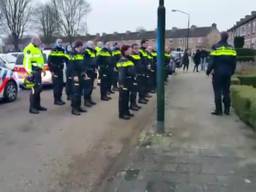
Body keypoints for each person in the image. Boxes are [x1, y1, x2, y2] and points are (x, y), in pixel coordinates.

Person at [207, 32, 237, 116]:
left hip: (217, 73)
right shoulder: (231, 49)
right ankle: (227, 110)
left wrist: (208, 71)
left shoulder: (215, 47)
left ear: (221, 37)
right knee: (226, 91)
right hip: (227, 73)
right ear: (227, 38)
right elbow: (234, 62)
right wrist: (232, 72)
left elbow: (212, 61)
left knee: (217, 91)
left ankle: (219, 110)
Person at [23, 36, 47, 114]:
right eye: (39, 41)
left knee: (38, 89)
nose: (40, 43)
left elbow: (39, 61)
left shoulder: (37, 49)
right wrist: (30, 72)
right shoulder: (29, 49)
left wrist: (42, 69)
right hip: (33, 72)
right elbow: (27, 62)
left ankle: (38, 106)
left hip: (38, 71)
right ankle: (32, 108)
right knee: (34, 90)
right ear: (34, 41)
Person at [117, 45, 136, 120]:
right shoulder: (122, 60)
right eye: (129, 50)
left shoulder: (128, 59)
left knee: (127, 97)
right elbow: (121, 73)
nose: (130, 51)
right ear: (125, 51)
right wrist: (121, 84)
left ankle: (126, 111)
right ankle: (122, 114)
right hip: (124, 82)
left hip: (129, 81)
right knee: (123, 99)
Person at [70, 40, 87, 116]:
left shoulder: (80, 54)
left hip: (81, 75)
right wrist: (75, 75)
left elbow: (82, 64)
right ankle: (74, 109)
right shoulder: (72, 54)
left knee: (80, 92)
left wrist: (84, 73)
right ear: (78, 46)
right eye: (81, 46)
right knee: (75, 92)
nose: (82, 47)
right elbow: (71, 66)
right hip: (75, 75)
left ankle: (79, 106)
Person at [48, 39, 67, 105]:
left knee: (61, 85)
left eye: (61, 42)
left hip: (60, 70)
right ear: (56, 43)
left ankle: (59, 99)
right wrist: (52, 71)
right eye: (59, 42)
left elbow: (65, 59)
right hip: (55, 70)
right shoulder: (54, 50)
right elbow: (49, 62)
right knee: (56, 86)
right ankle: (56, 100)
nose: (60, 43)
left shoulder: (62, 50)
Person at [83, 41, 97, 107]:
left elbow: (94, 60)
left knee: (91, 86)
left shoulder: (93, 51)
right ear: (88, 45)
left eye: (93, 44)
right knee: (87, 86)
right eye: (91, 44)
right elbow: (85, 62)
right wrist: (85, 71)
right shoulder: (86, 51)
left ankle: (89, 99)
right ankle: (86, 101)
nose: (93, 45)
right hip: (88, 70)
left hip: (92, 70)